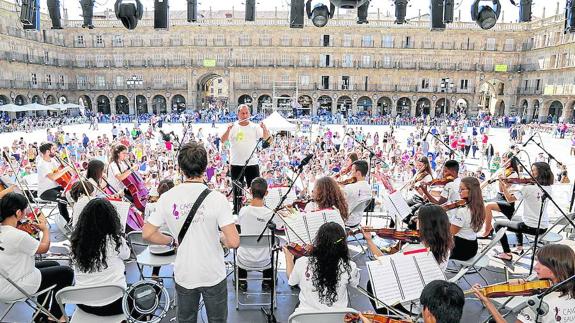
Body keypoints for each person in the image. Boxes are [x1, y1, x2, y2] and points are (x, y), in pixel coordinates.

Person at [143, 142, 239, 323]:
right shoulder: (217, 199)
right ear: (205, 167)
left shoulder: (167, 197)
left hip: (185, 272)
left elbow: (147, 233)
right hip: (213, 272)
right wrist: (219, 237)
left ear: (180, 167)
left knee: (186, 319)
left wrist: (170, 242)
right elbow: (233, 241)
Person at [0, 192, 74, 322]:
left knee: (54, 265)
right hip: (13, 287)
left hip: (5, 279)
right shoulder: (18, 236)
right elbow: (43, 248)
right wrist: (45, 230)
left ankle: (41, 312)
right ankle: (56, 316)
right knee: (66, 272)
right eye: (24, 210)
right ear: (18, 213)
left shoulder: (5, 231)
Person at [473, 244, 575, 323]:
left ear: (557, 269)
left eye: (542, 263)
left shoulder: (538, 304)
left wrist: (488, 302)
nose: (536, 267)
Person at [69, 198, 130, 316]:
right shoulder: (115, 240)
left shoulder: (77, 241)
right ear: (111, 219)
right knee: (146, 295)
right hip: (115, 304)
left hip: (83, 303)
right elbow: (126, 255)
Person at [283, 222, 360, 311]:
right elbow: (355, 283)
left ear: (318, 241)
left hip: (306, 317)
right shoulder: (349, 266)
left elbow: (292, 280)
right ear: (343, 243)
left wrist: (288, 257)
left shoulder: (302, 262)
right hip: (337, 318)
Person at [493, 162, 554, 261]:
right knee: (516, 219)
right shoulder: (548, 188)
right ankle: (519, 247)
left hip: (531, 227)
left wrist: (503, 185)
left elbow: (509, 199)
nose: (530, 172)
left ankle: (506, 253)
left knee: (497, 225)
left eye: (533, 171)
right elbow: (532, 187)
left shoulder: (528, 188)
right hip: (544, 226)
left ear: (539, 173)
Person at [220, 104, 271, 215]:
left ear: (250, 114)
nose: (245, 115)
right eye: (242, 113)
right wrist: (228, 129)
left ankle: (256, 209)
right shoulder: (233, 127)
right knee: (236, 189)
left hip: (252, 163)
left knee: (256, 188)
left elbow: (267, 138)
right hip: (236, 163)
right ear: (238, 114)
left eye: (247, 113)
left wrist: (264, 128)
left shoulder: (255, 127)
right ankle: (237, 210)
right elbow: (223, 140)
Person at [236, 177, 273, 291]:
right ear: (266, 193)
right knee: (270, 248)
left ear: (250, 192)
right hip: (265, 260)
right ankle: (267, 282)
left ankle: (242, 283)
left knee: (240, 245)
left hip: (244, 260)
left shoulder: (243, 211)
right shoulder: (270, 213)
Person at [444, 176, 484, 261]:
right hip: (472, 247)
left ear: (471, 191)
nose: (459, 192)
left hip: (460, 249)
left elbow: (452, 232)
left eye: (462, 189)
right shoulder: (480, 207)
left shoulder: (463, 211)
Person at [481, 151, 520, 237]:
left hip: (507, 200)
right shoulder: (501, 170)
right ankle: (489, 227)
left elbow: (502, 190)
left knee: (487, 206)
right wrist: (478, 188)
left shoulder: (513, 173)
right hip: (499, 197)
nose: (505, 163)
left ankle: (487, 230)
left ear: (511, 162)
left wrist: (501, 179)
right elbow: (489, 180)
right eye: (503, 161)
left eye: (507, 161)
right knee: (481, 204)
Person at [36, 142, 71, 223]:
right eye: (53, 149)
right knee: (63, 198)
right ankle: (67, 220)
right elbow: (53, 177)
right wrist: (66, 169)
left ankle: (68, 220)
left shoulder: (52, 160)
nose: (55, 151)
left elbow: (59, 172)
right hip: (45, 191)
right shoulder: (42, 164)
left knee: (72, 193)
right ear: (48, 152)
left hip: (55, 187)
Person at [342, 160, 372, 227]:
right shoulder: (369, 188)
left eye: (352, 170)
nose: (350, 173)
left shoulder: (349, 188)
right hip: (357, 221)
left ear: (358, 173)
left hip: (346, 221)